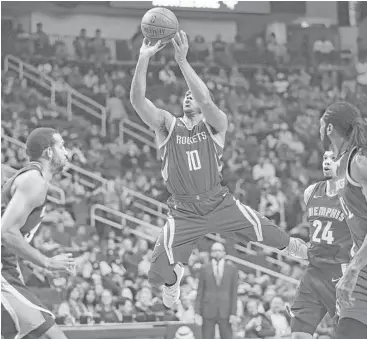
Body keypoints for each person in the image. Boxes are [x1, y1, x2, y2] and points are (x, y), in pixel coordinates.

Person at [130, 31, 307, 308]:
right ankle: (173, 279)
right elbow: (138, 102)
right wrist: (143, 58)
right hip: (184, 211)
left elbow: (207, 102)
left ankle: (298, 249)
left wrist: (182, 62)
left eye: (193, 94)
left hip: (218, 202)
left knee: (265, 231)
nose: (189, 96)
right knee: (155, 275)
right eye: (185, 94)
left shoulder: (215, 124)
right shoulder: (167, 124)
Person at [1, 127, 75, 339]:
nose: (66, 152)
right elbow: (5, 233)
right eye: (61, 146)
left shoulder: (30, 178)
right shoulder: (35, 181)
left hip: (7, 267)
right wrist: (48, 263)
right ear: (48, 152)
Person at [290, 151, 353, 339]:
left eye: (332, 159)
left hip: (340, 273)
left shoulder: (353, 195)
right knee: (298, 333)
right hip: (314, 270)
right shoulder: (311, 192)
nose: (327, 162)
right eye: (325, 158)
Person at [319, 102, 367, 338]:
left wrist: (352, 271)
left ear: (328, 128)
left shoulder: (359, 162)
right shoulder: (339, 167)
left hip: (359, 270)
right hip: (361, 273)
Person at [194, 242, 238, 339]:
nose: (217, 253)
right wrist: (197, 312)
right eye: (214, 250)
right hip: (208, 310)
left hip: (225, 310)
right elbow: (200, 291)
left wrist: (233, 313)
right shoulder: (204, 268)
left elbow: (234, 293)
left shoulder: (232, 269)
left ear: (224, 252)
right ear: (211, 253)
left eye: (219, 250)